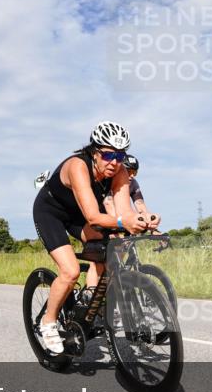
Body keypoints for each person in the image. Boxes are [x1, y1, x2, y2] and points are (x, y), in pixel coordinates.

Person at [31, 121, 159, 354]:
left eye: (120, 156)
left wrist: (144, 219)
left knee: (110, 250)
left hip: (77, 216)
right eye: (108, 155)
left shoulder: (120, 172)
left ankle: (91, 300)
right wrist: (123, 222)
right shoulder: (78, 166)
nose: (114, 162)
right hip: (51, 213)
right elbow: (93, 216)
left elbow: (124, 212)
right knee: (70, 271)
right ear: (94, 152)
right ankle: (48, 322)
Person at [103, 154, 157, 221]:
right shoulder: (109, 180)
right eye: (128, 172)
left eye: (134, 173)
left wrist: (147, 218)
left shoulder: (133, 183)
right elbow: (108, 204)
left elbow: (140, 205)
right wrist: (122, 222)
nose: (132, 176)